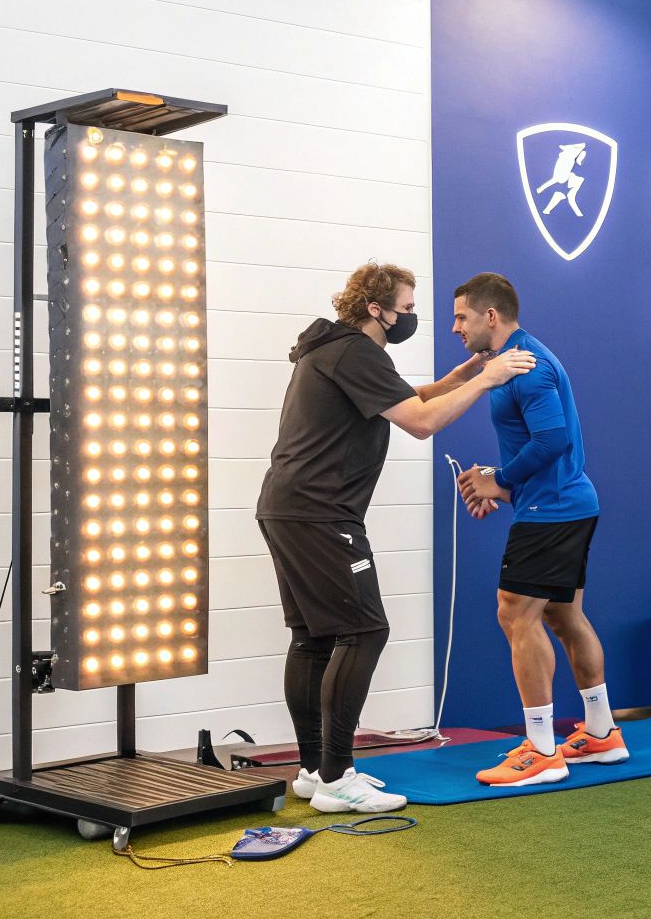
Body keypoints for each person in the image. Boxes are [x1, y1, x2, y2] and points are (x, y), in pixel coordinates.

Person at [257, 263, 535, 813]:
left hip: (289, 508)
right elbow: (421, 422)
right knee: (365, 631)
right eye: (406, 308)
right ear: (376, 309)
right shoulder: (356, 352)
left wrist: (463, 374)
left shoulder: (334, 349)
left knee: (313, 638)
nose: (412, 316)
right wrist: (488, 379)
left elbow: (409, 397)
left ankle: (314, 770)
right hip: (320, 513)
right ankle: (337, 777)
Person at [452, 272, 628, 787]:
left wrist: (501, 480)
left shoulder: (527, 366)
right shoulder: (511, 360)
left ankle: (542, 750)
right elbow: (547, 447)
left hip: (551, 510)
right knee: (563, 614)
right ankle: (602, 733)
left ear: (490, 316)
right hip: (562, 503)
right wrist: (498, 482)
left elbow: (552, 440)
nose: (456, 328)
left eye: (462, 317)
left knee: (515, 613)